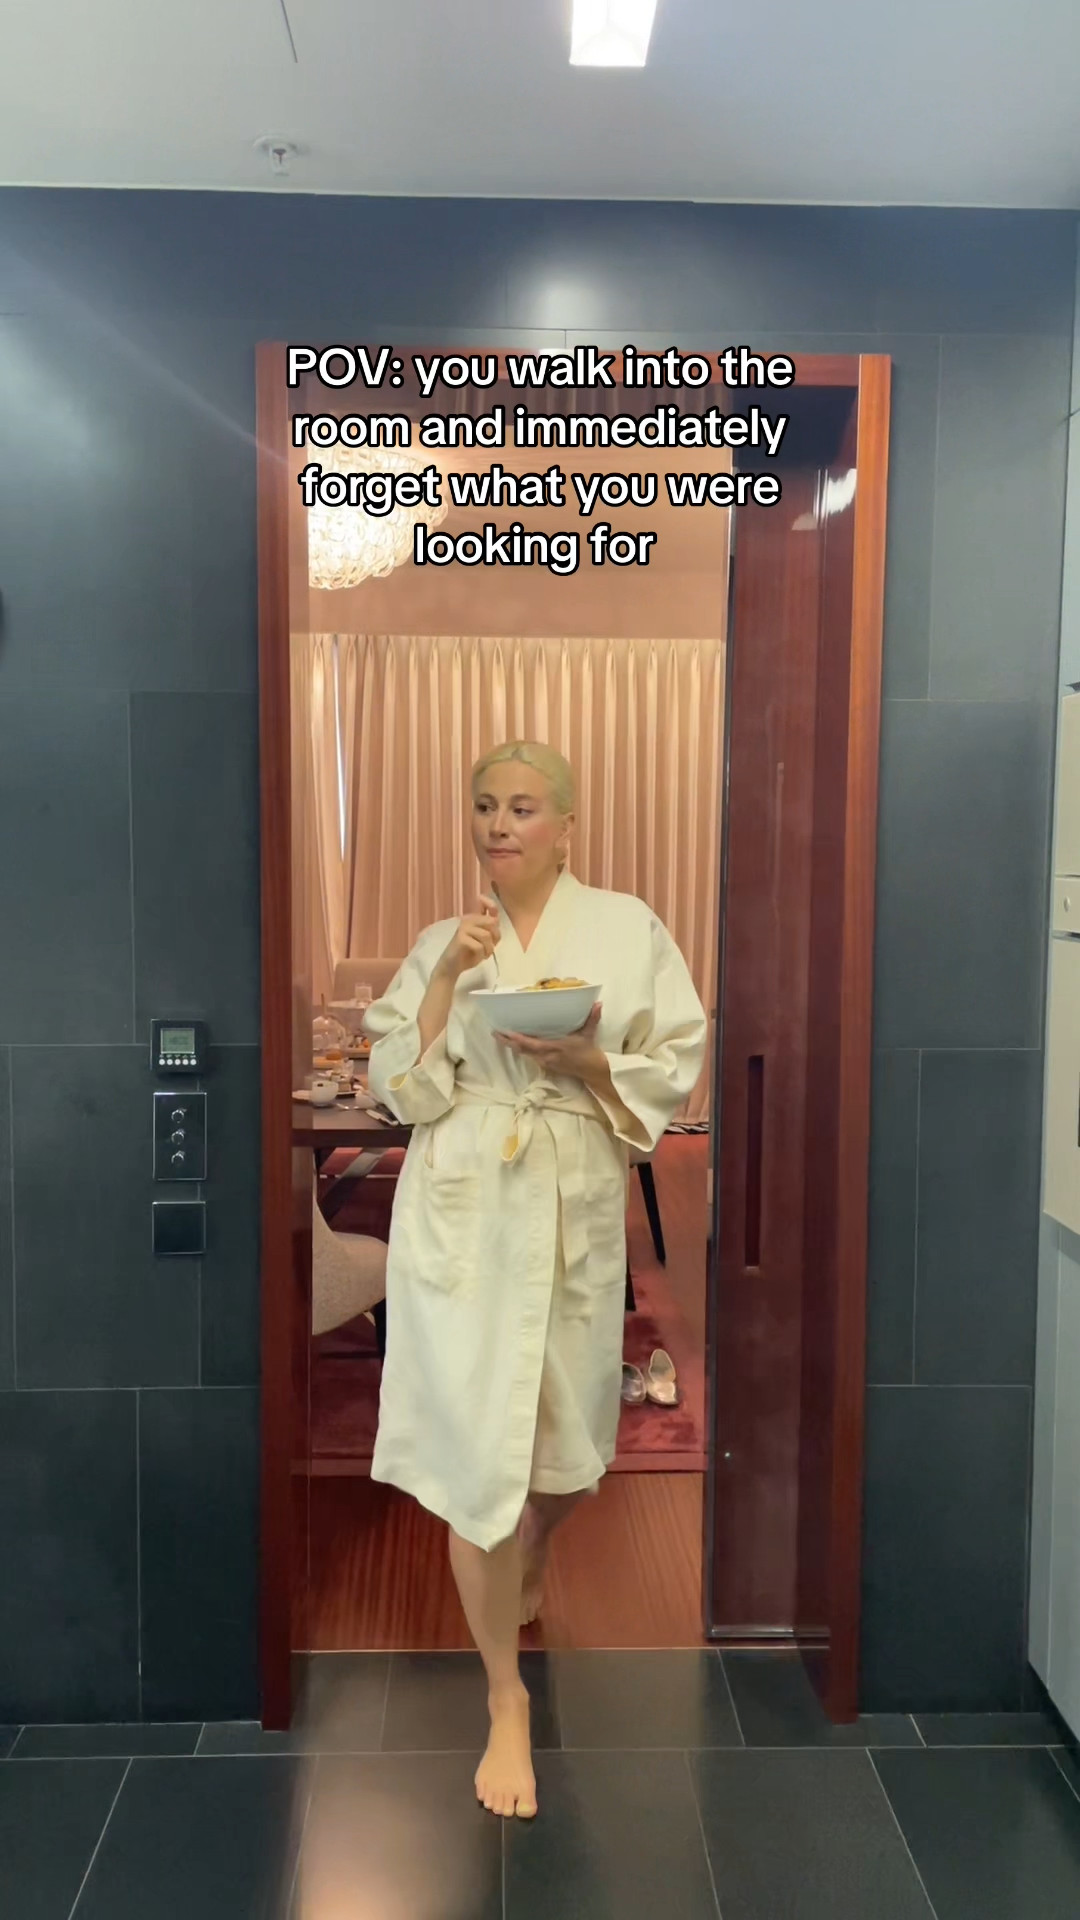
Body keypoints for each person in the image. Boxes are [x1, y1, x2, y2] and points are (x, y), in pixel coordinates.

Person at [364, 740, 708, 1819]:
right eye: (483, 806)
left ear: (566, 825)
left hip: (567, 1194)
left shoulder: (628, 927)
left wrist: (591, 1061)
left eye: (521, 807)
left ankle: (536, 1550)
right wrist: (447, 985)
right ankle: (505, 1700)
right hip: (465, 1200)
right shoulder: (443, 942)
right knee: (476, 1455)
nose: (498, 825)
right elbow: (400, 1092)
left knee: (570, 1453)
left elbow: (675, 1055)